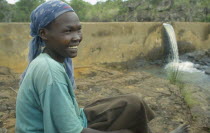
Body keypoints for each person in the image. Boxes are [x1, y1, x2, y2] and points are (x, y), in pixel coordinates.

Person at [15, 0, 190, 133]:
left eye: (78, 30)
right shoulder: (50, 71)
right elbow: (71, 131)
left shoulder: (48, 60)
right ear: (44, 34)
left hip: (75, 119)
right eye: (68, 31)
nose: (77, 37)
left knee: (134, 103)